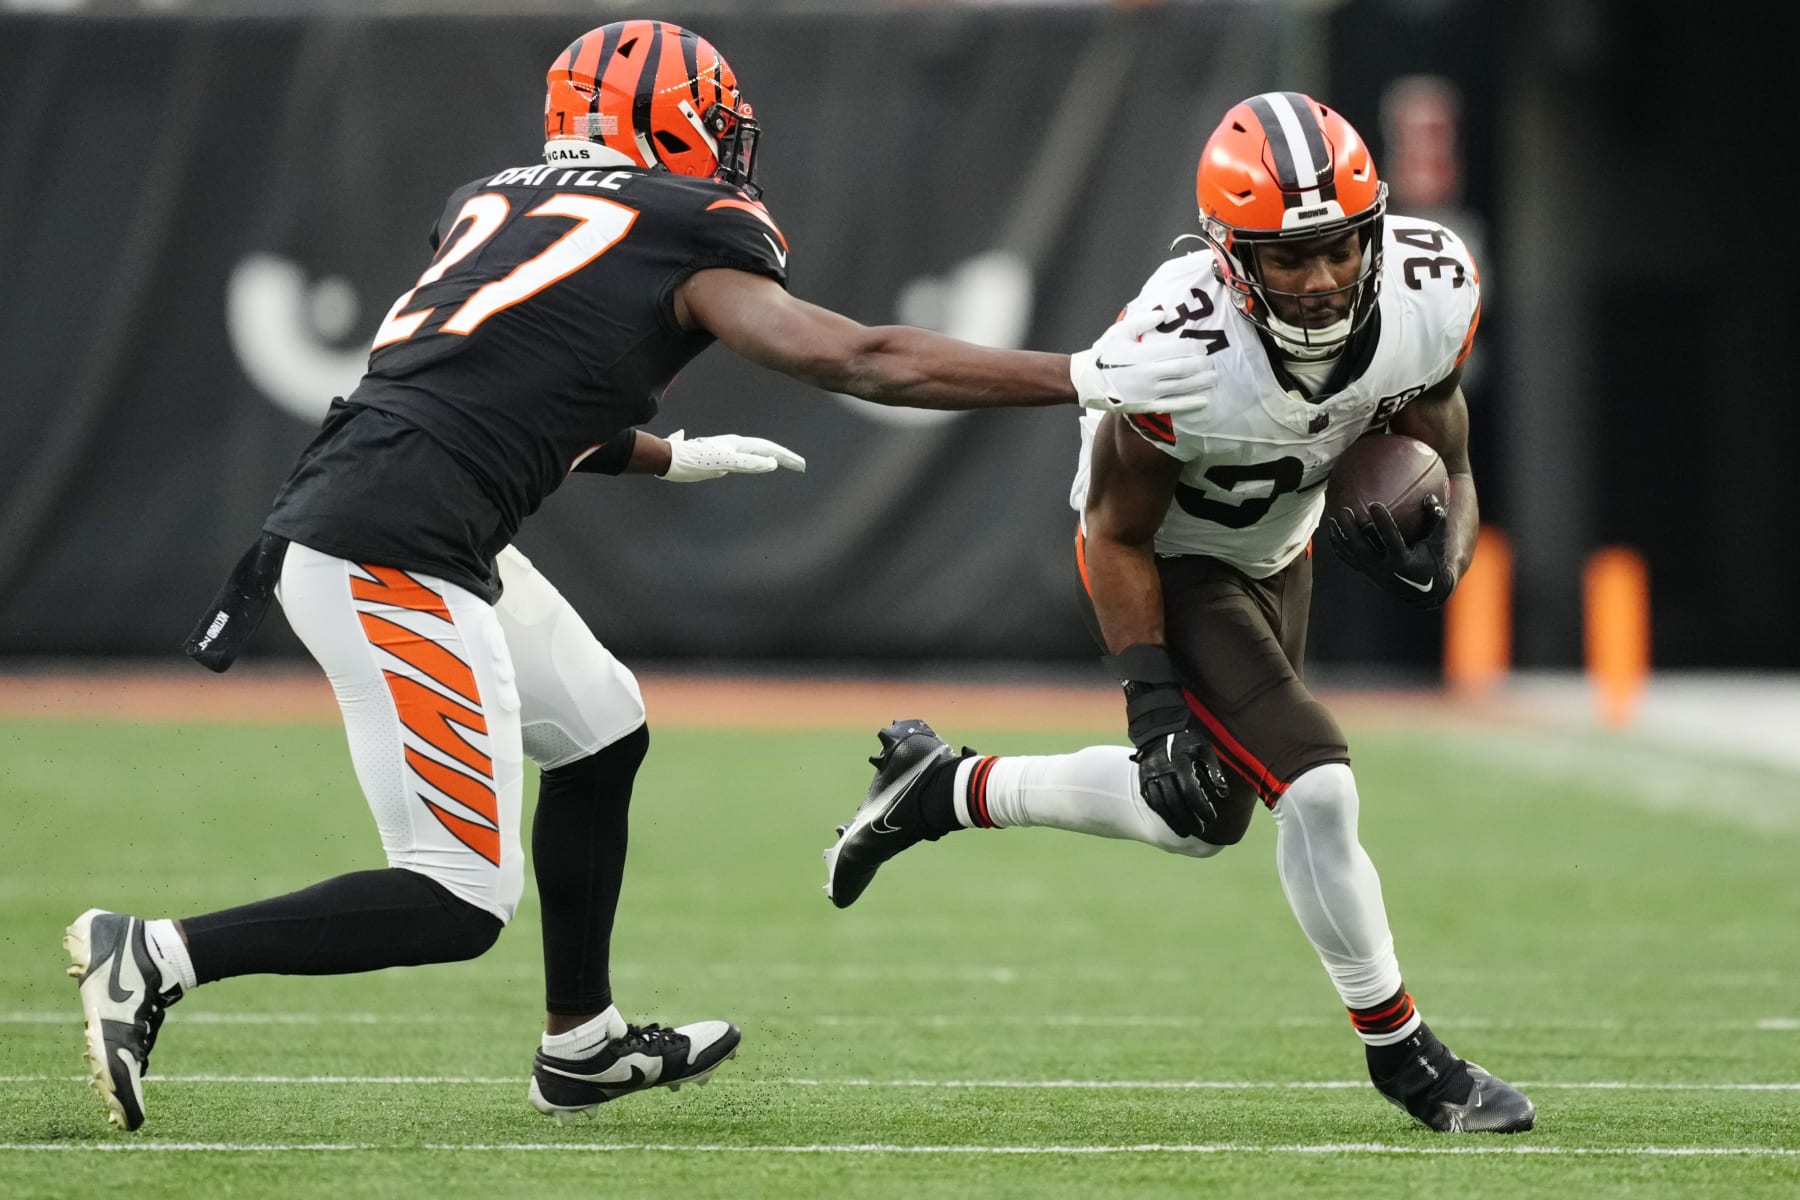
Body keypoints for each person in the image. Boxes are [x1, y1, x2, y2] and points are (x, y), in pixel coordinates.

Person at [63, 19, 1216, 1133]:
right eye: (711, 124)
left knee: (602, 729)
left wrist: (666, 452)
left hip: (401, 511)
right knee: (457, 896)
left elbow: (493, 383)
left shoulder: (496, 201)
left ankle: (583, 1042)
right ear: (660, 125)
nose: (727, 148)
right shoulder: (682, 220)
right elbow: (857, 355)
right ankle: (157, 955)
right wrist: (1087, 374)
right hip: (391, 552)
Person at [822, 91, 1535, 1135]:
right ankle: (1411, 1062)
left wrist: (1445, 560)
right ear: (1229, 255)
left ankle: (944, 787)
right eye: (1287, 258)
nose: (1323, 277)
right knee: (1319, 786)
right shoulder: (1179, 346)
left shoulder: (1430, 288)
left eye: (1339, 247)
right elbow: (1112, 532)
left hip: (1275, 544)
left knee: (1196, 821)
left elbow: (1455, 465)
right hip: (1172, 558)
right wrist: (1151, 707)